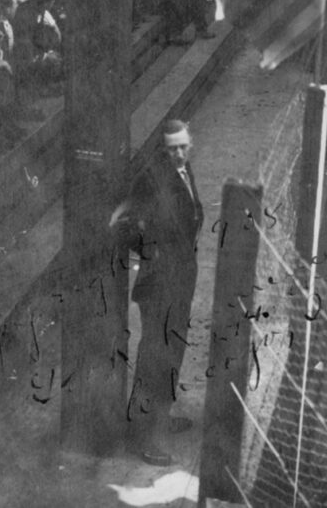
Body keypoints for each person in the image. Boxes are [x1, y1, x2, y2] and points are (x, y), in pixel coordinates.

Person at [112, 120, 205, 466]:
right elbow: (122, 223)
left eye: (184, 146)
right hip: (159, 283)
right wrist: (153, 253)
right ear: (162, 149)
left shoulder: (184, 168)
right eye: (172, 149)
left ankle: (161, 417)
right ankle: (140, 435)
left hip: (182, 278)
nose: (179, 154)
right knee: (154, 355)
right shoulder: (152, 179)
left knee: (174, 349)